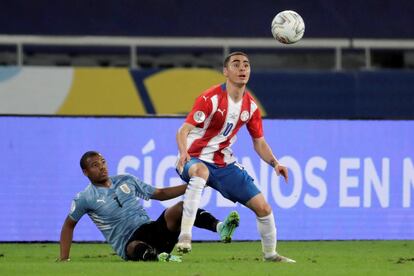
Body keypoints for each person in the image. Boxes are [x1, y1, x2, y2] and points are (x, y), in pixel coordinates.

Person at [175, 51, 295, 263]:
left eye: (246, 65)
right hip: (194, 158)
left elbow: (259, 142)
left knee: (264, 208)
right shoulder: (210, 98)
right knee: (200, 172)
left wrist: (275, 163)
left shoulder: (251, 107)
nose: (242, 68)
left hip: (223, 164)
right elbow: (183, 131)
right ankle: (185, 237)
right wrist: (184, 152)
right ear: (225, 71)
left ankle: (270, 255)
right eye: (236, 64)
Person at [58, 151, 240, 262]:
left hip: (151, 229)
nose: (102, 167)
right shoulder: (85, 198)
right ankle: (159, 257)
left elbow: (159, 193)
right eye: (95, 165)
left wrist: (193, 184)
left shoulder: (125, 179)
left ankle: (220, 227)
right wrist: (64, 258)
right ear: (85, 172)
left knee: (181, 207)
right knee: (132, 247)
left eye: (103, 162)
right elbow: (69, 225)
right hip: (129, 242)